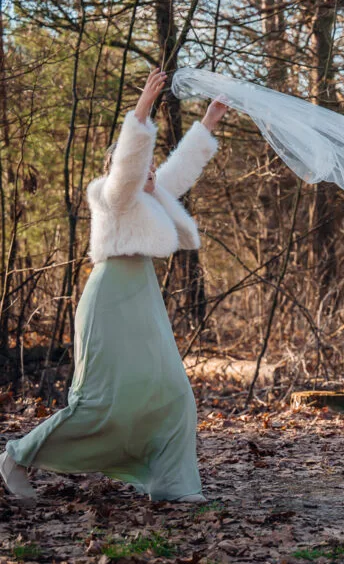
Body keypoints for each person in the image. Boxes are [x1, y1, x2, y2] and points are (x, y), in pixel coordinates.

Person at [0, 68, 227, 503]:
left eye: (152, 168)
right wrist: (141, 111)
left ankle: (171, 484)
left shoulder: (148, 194)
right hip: (109, 299)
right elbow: (128, 167)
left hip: (141, 298)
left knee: (173, 393)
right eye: (145, 166)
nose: (152, 172)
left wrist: (210, 120)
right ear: (123, 165)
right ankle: (16, 455)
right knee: (98, 402)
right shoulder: (110, 193)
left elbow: (179, 169)